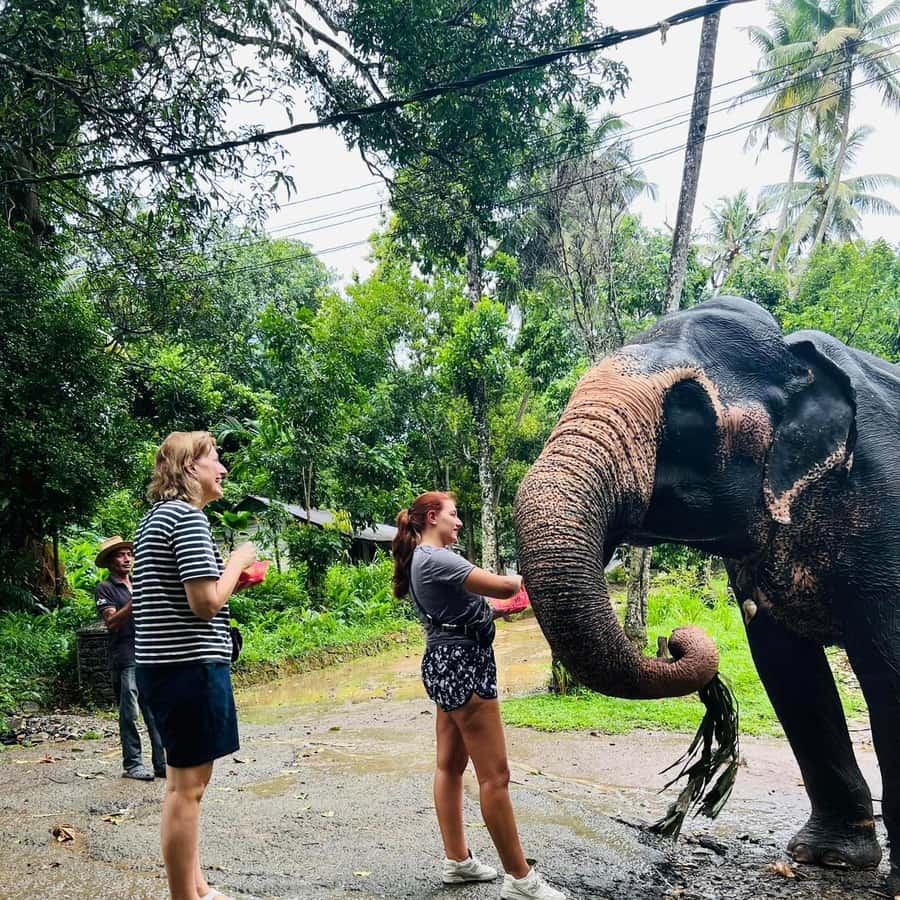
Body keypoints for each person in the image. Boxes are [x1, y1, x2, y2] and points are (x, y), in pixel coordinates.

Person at [392, 491, 567, 900]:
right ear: (432, 517)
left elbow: (466, 607)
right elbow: (506, 586)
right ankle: (520, 878)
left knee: (450, 765)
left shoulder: (421, 558)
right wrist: (541, 568)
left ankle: (458, 861)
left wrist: (493, 611)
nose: (459, 522)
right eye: (453, 515)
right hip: (465, 665)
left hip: (444, 661)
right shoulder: (439, 558)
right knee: (495, 776)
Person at [133, 431, 256, 900]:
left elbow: (184, 597)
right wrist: (238, 561)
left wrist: (228, 581)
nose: (222, 470)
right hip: (188, 666)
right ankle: (184, 896)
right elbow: (205, 604)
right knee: (186, 789)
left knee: (184, 784)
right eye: (215, 461)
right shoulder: (187, 518)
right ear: (190, 468)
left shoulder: (155, 519)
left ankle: (197, 887)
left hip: (164, 667)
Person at [95, 535, 166, 781]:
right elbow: (111, 622)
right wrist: (137, 601)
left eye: (129, 554)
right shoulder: (105, 588)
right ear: (109, 562)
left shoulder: (138, 582)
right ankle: (133, 764)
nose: (127, 559)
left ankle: (161, 763)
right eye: (120, 555)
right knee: (130, 714)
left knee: (154, 712)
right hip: (125, 657)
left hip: (149, 654)